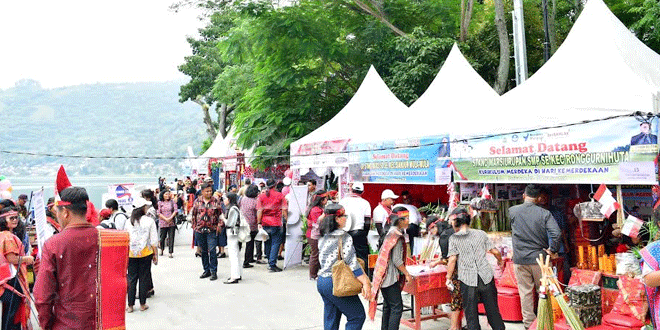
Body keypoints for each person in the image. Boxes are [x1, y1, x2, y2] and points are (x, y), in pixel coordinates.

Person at [34, 186, 129, 330]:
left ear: (65, 213)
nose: (57, 217)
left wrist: (47, 325)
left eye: (57, 213)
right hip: (104, 323)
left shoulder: (54, 244)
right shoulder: (107, 239)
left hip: (67, 324)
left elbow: (42, 296)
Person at [508, 184, 561, 329]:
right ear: (538, 199)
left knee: (525, 293)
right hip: (540, 260)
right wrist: (553, 250)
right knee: (544, 292)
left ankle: (529, 325)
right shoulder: (544, 213)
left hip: (520, 259)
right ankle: (546, 322)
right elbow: (556, 233)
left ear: (524, 196)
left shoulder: (512, 211)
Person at [445, 207, 505, 330]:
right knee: (492, 309)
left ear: (457, 222)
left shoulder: (454, 238)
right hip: (486, 276)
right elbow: (495, 251)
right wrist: (500, 261)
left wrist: (448, 278)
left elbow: (452, 260)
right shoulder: (481, 233)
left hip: (467, 279)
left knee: (471, 313)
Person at [317, 204, 371, 330]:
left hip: (322, 282)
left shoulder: (323, 235)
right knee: (357, 316)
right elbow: (352, 263)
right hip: (336, 281)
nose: (346, 218)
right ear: (337, 219)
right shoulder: (344, 237)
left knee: (331, 319)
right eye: (344, 216)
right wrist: (366, 282)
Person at [369, 210, 413, 330]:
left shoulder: (390, 232)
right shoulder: (397, 236)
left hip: (382, 275)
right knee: (397, 307)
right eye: (407, 218)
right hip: (389, 277)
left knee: (388, 306)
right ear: (400, 221)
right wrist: (407, 274)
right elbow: (397, 260)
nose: (409, 221)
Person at [0, 207, 34, 330]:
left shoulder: (4, 235)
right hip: (11, 278)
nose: (15, 220)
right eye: (11, 218)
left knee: (9, 310)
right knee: (13, 311)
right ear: (4, 220)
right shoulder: (8, 237)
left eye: (16, 217)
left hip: (5, 278)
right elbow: (12, 259)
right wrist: (27, 259)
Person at [429, 214, 464, 330]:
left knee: (456, 299)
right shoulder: (453, 231)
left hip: (459, 271)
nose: (431, 233)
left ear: (435, 226)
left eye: (430, 230)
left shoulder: (444, 237)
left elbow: (449, 259)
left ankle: (454, 327)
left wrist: (448, 277)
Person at [125, 197, 158, 313]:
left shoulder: (128, 221)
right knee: (143, 278)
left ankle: (130, 305)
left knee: (132, 278)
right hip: (145, 253)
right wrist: (156, 255)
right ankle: (143, 304)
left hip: (131, 254)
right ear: (143, 208)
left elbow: (125, 238)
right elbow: (154, 240)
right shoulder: (149, 221)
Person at [538, 186, 571, 284]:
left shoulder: (557, 212)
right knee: (548, 276)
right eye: (541, 196)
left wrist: (566, 245)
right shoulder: (536, 213)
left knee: (564, 272)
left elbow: (562, 230)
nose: (543, 198)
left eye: (545, 196)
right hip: (544, 249)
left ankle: (565, 289)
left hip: (559, 248)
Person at [191, 183, 223, 281]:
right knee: (203, 251)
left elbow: (220, 215)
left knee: (212, 250)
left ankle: (214, 271)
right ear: (202, 192)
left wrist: (219, 225)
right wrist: (194, 227)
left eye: (210, 191)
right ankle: (206, 270)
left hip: (212, 230)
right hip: (200, 230)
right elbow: (193, 215)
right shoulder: (197, 202)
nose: (209, 193)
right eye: (207, 191)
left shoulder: (216, 201)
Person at [257, 179, 288, 272]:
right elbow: (284, 210)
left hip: (265, 222)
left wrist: (259, 222)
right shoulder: (280, 195)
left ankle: (269, 259)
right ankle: (272, 264)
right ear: (275, 185)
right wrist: (287, 220)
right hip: (276, 222)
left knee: (267, 241)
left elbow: (259, 210)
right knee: (276, 243)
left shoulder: (261, 196)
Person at [339, 182, 371, 265]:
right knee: (362, 257)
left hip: (345, 232)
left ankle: (346, 275)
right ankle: (364, 275)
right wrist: (365, 234)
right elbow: (367, 221)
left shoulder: (343, 201)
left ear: (351, 189)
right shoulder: (365, 203)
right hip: (358, 232)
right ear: (362, 192)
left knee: (345, 256)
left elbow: (338, 218)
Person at [307, 190, 328, 280]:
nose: (327, 200)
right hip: (314, 235)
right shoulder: (316, 210)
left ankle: (315, 273)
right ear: (321, 200)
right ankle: (313, 275)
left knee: (317, 254)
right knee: (315, 254)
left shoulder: (318, 208)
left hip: (316, 234)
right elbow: (317, 223)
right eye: (326, 199)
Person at [223, 192, 243, 284]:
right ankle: (237, 274)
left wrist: (222, 218)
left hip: (232, 233)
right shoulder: (233, 208)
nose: (224, 200)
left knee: (233, 255)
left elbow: (229, 223)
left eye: (225, 198)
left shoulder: (232, 209)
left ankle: (234, 276)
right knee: (235, 254)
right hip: (234, 233)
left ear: (229, 199)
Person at [240, 184, 259, 268]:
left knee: (249, 242)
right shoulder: (255, 201)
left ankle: (250, 258)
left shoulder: (243, 199)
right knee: (250, 243)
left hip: (244, 222)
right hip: (252, 224)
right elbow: (257, 212)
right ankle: (246, 261)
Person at [157, 190, 177, 258]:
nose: (167, 196)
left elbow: (175, 210)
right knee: (162, 237)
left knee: (171, 237)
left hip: (171, 222)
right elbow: (158, 212)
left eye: (168, 194)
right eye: (166, 194)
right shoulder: (160, 202)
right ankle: (161, 249)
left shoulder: (172, 202)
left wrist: (170, 218)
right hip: (163, 222)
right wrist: (165, 219)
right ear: (162, 195)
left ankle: (170, 252)